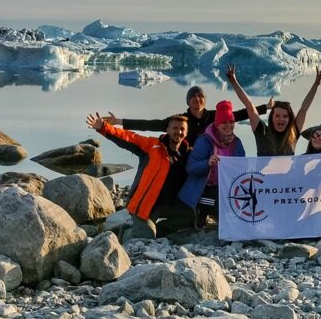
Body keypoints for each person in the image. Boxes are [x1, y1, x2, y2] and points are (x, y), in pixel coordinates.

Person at [86, 112, 191, 240]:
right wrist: (103, 127)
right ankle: (127, 232)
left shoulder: (188, 154)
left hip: (166, 206)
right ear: (168, 129)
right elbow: (128, 137)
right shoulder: (152, 146)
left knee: (193, 216)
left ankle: (159, 229)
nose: (178, 132)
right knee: (147, 238)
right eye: (175, 128)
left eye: (182, 129)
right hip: (144, 207)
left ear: (186, 132)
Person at [104, 85, 268, 146]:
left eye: (200, 96)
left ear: (204, 100)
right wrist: (118, 121)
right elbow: (151, 124)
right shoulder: (180, 120)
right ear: (188, 101)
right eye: (193, 96)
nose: (197, 99)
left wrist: (265, 107)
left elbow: (239, 114)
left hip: (212, 156)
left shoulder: (214, 116)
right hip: (187, 158)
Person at [177, 99, 246, 229]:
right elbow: (190, 168)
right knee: (219, 206)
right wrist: (207, 163)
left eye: (231, 122)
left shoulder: (237, 142)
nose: (228, 125)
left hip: (226, 187)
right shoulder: (204, 141)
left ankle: (214, 213)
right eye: (224, 122)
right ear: (217, 124)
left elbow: (244, 165)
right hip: (205, 188)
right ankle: (201, 210)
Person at [242, 66, 321, 156]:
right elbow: (250, 106)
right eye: (277, 115)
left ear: (289, 119)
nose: (281, 119)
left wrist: (316, 84)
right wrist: (233, 81)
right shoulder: (262, 132)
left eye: (285, 116)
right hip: (263, 171)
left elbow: (304, 108)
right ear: (272, 117)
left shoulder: (293, 133)